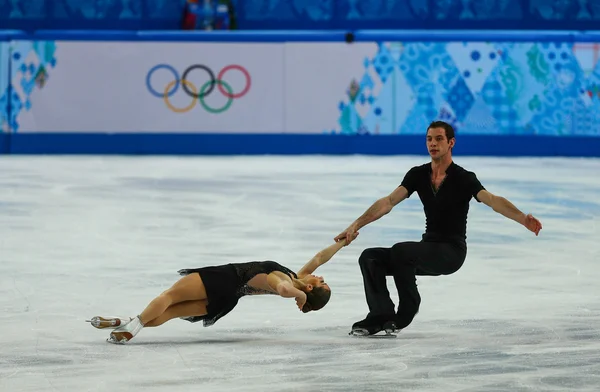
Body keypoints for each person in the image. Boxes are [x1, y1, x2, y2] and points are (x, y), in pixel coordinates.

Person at [335, 120, 543, 336]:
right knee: (370, 257)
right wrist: (356, 224)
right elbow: (388, 202)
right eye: (429, 139)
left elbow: (492, 200)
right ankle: (380, 315)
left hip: (451, 252)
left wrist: (522, 218)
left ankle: (407, 309)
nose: (433, 144)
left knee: (401, 251)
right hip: (428, 248)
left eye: (439, 139)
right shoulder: (418, 174)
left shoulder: (463, 178)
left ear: (451, 142)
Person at [88, 238, 347, 344]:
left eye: (322, 282)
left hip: (222, 278)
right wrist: (345, 240)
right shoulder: (296, 276)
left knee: (168, 297)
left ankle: (133, 326)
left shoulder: (285, 281)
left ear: (310, 287)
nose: (321, 276)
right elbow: (319, 258)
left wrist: (299, 296)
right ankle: (125, 322)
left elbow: (281, 288)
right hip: (228, 299)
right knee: (168, 314)